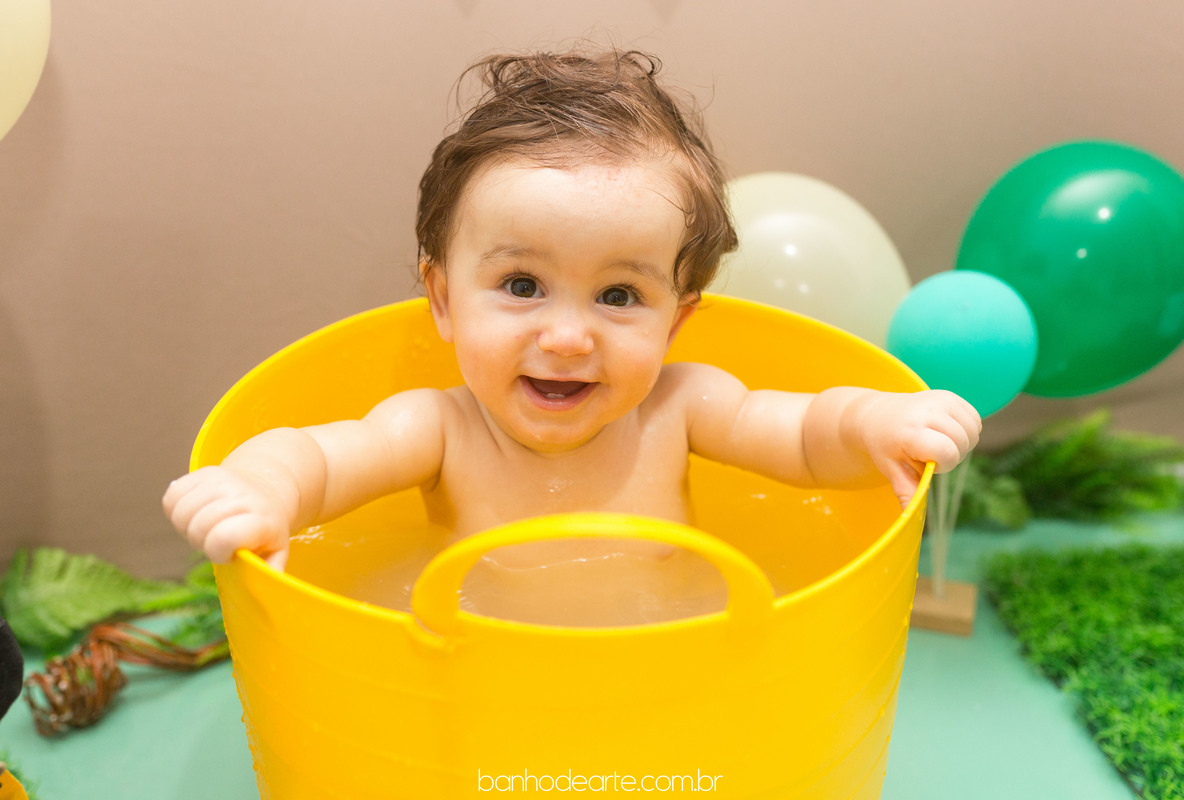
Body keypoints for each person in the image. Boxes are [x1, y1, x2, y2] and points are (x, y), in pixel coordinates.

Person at [163, 49, 980, 616]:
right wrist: (259, 490)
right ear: (443, 301)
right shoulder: (437, 429)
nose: (566, 337)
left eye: (619, 295)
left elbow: (804, 436)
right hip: (484, 676)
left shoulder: (681, 408)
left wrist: (874, 422)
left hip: (671, 657)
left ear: (678, 318)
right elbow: (312, 456)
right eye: (521, 285)